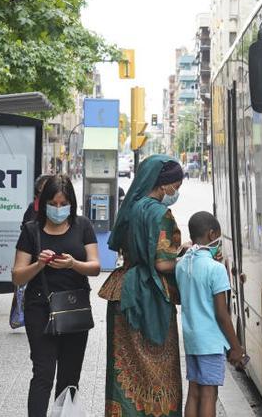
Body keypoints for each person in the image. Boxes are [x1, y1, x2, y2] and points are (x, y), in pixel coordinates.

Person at [99, 155, 185, 416]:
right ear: (164, 186)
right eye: (176, 186)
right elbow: (161, 263)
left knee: (123, 369)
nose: (176, 192)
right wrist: (185, 258)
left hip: (123, 290)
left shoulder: (130, 209)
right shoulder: (160, 213)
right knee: (161, 370)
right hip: (151, 295)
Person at [11, 175, 100, 417]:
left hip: (73, 307)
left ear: (71, 203)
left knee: (70, 377)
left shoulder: (83, 226)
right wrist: (38, 264)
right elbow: (18, 276)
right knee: (43, 372)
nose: (58, 209)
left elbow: (95, 266)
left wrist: (73, 264)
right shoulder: (31, 230)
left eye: (63, 204)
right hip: (40, 307)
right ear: (43, 202)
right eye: (53, 203)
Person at [176, 212, 247, 417]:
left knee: (194, 392)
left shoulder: (182, 265)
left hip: (192, 340)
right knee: (209, 394)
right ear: (211, 234)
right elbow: (222, 315)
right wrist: (236, 347)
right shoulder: (216, 269)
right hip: (210, 341)